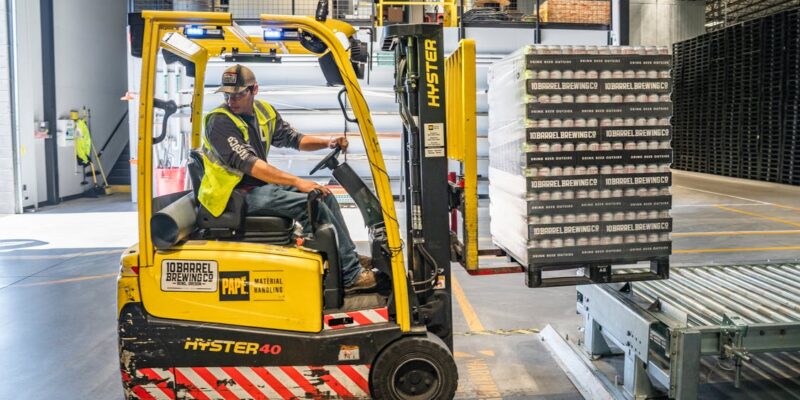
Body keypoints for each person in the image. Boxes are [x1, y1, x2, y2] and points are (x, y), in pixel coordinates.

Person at [198, 64, 376, 293]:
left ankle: (347, 258)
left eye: (238, 94)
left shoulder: (263, 112)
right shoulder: (220, 121)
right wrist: (296, 182)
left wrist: (327, 142)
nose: (231, 100)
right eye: (227, 94)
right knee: (310, 204)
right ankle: (350, 275)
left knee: (325, 196)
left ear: (254, 90)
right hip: (232, 196)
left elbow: (294, 139)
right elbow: (249, 164)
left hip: (254, 188)